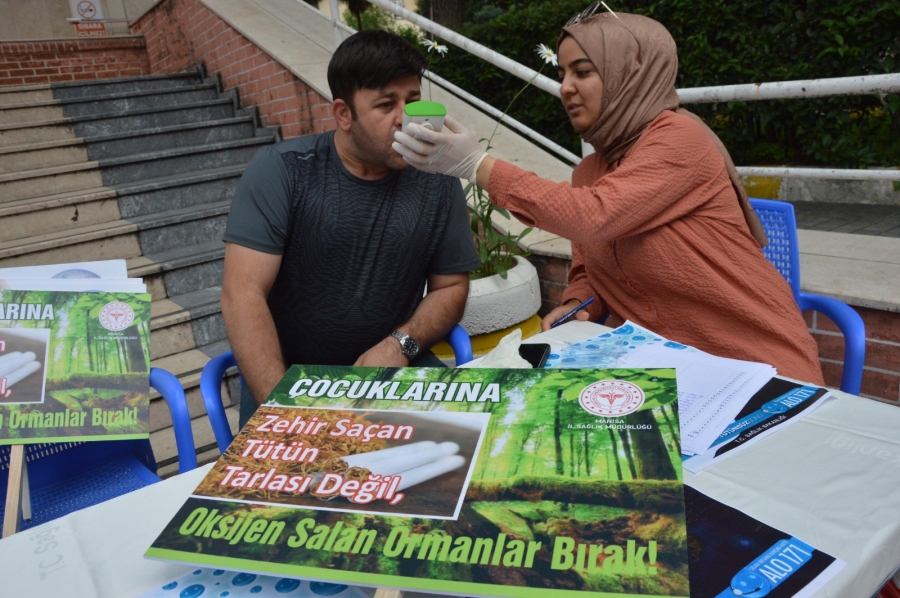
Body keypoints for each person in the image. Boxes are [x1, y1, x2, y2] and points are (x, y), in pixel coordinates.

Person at [392, 8, 825, 384]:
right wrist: (580, 302)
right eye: (561, 74)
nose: (565, 87)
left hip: (756, 368)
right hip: (665, 371)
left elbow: (593, 216)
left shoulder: (680, 140)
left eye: (582, 71)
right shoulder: (591, 170)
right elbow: (590, 264)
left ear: (630, 74)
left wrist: (477, 166)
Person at [222, 30, 481, 428]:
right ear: (343, 114)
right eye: (386, 104)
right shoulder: (284, 171)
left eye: (413, 100)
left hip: (392, 372)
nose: (406, 117)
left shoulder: (437, 177)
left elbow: (450, 288)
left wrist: (400, 344)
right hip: (292, 379)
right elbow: (242, 294)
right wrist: (285, 412)